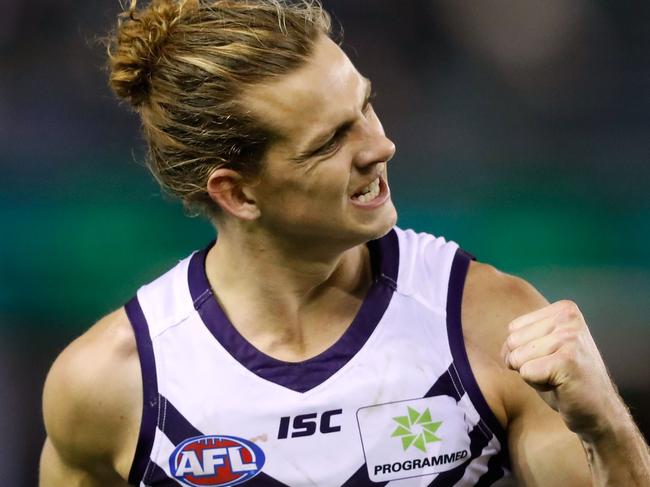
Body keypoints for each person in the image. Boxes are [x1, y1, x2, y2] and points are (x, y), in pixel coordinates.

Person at [39, 0, 650, 486]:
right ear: (238, 194)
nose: (379, 145)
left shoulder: (486, 323)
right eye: (331, 140)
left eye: (366, 106)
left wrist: (605, 428)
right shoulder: (110, 385)